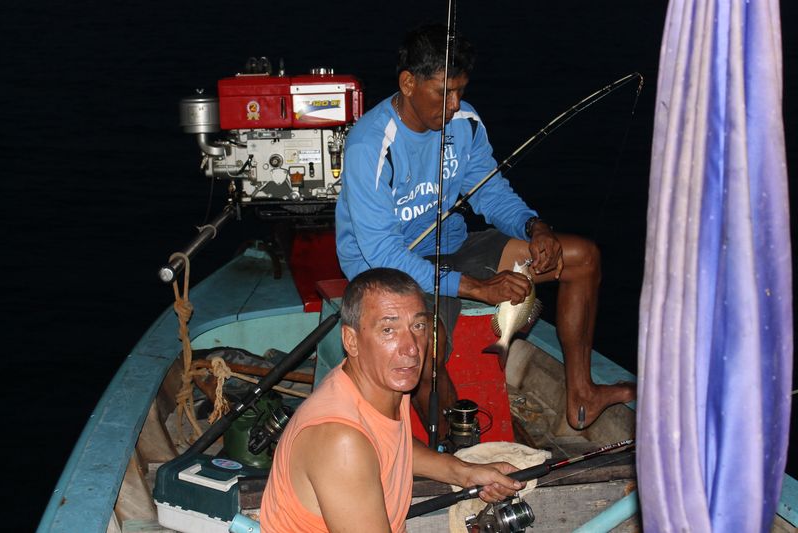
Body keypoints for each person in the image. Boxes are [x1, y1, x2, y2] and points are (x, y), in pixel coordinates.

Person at [335, 24, 635, 432]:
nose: (455, 104)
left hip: (453, 245)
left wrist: (535, 226)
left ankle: (582, 394)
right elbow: (383, 252)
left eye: (461, 90)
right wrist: (477, 287)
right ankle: (456, 446)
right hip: (388, 269)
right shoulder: (369, 144)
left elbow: (490, 192)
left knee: (582, 257)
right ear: (408, 83)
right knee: (425, 346)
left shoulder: (466, 123)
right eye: (444, 92)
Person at [259, 268, 525, 532]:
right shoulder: (342, 442)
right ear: (351, 341)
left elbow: (392, 444)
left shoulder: (378, 384)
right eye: (388, 330)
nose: (411, 348)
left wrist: (463, 472)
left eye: (418, 326)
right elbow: (364, 448)